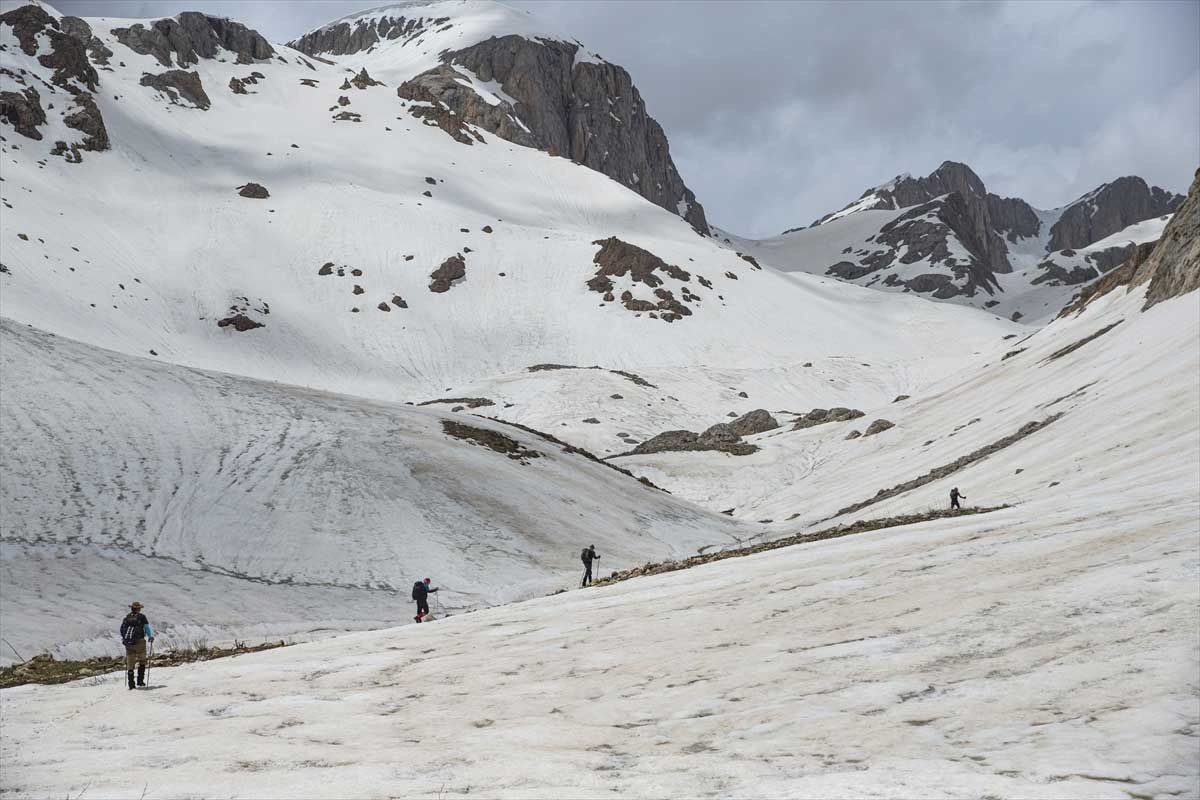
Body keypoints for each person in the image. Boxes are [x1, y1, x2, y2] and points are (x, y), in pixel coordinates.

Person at [119, 602, 154, 690]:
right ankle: (140, 681)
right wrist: (150, 636)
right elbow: (146, 628)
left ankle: (131, 684)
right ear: (139, 609)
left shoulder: (127, 617)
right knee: (142, 660)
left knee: (130, 661)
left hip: (128, 642)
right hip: (139, 641)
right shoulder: (142, 617)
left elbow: (121, 629)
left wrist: (125, 638)